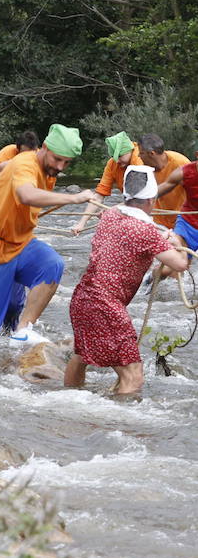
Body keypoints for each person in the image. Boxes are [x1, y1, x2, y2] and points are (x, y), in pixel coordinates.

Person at [0, 124, 96, 347]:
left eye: (66, 162)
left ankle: (23, 331)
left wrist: (4, 170)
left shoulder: (42, 167)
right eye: (57, 159)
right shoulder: (26, 163)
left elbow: (6, 167)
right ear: (44, 147)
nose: (60, 166)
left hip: (21, 243)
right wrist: (74, 198)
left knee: (52, 264)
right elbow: (26, 194)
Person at [66, 167, 190, 396]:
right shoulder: (147, 232)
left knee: (81, 355)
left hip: (82, 298)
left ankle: (66, 403)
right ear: (152, 200)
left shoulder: (110, 214)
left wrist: (160, 240)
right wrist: (175, 240)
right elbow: (180, 264)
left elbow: (129, 233)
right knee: (133, 375)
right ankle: (118, 427)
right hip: (105, 306)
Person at [71, 133, 189, 234]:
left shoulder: (142, 162)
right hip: (154, 219)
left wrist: (114, 210)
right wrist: (82, 223)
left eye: (120, 156)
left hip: (180, 217)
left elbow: (140, 198)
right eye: (114, 157)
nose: (117, 161)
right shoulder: (113, 164)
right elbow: (99, 195)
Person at [155, 155, 198, 249]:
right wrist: (136, 201)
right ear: (197, 155)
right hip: (188, 223)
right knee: (176, 255)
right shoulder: (183, 172)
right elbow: (162, 188)